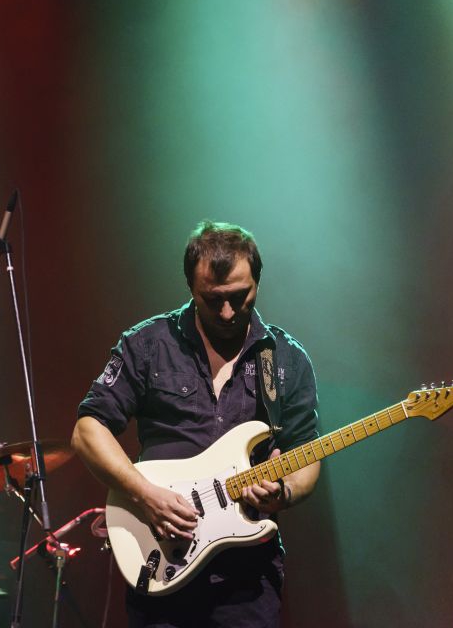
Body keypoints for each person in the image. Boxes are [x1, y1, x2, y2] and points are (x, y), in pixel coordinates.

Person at [71, 221, 321, 627]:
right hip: (161, 560)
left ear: (257, 281)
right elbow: (88, 431)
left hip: (247, 578)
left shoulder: (286, 359)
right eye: (213, 299)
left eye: (240, 297)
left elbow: (306, 452)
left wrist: (284, 492)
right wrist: (144, 495)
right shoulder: (148, 344)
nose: (227, 312)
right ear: (190, 286)